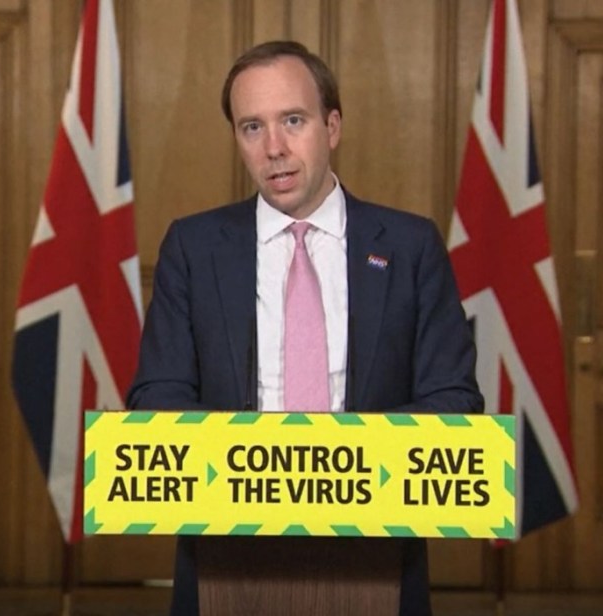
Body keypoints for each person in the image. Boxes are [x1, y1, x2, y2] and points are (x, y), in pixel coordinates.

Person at [127, 40, 483, 616]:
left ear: (332, 125)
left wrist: (341, 470)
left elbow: (453, 401)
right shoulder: (193, 248)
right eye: (251, 127)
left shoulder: (410, 247)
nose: (274, 148)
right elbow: (158, 396)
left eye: (293, 120)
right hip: (227, 556)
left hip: (376, 554)